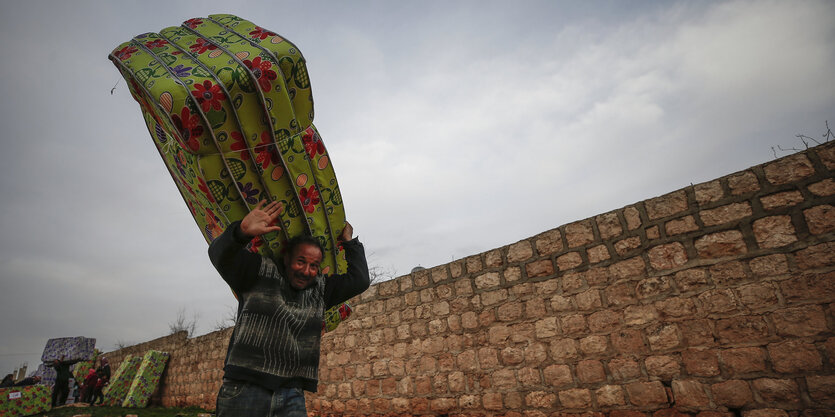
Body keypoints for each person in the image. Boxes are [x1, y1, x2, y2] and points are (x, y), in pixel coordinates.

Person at [209, 199, 370, 417]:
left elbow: (359, 280)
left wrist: (350, 243)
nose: (306, 270)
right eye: (300, 261)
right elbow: (220, 256)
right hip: (245, 389)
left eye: (314, 265)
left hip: (292, 393)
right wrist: (241, 232)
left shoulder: (320, 290)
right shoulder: (258, 272)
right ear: (286, 259)